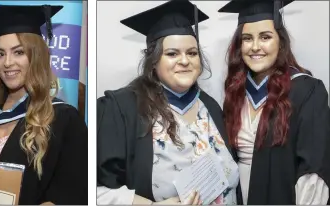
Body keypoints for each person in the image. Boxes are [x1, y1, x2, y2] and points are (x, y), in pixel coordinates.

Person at [97, 0, 241, 204]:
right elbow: (97, 192)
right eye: (172, 53)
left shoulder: (211, 107)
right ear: (154, 61)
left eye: (192, 53)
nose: (184, 61)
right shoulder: (122, 108)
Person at [0, 4, 88, 205]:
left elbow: (72, 192)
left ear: (36, 56)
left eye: (18, 52)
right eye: (1, 54)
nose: (7, 63)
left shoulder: (63, 119)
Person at [218, 0, 330, 204]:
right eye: (247, 38)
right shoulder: (235, 96)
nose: (255, 47)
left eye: (265, 37)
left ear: (281, 42)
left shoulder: (307, 91)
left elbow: (313, 170)